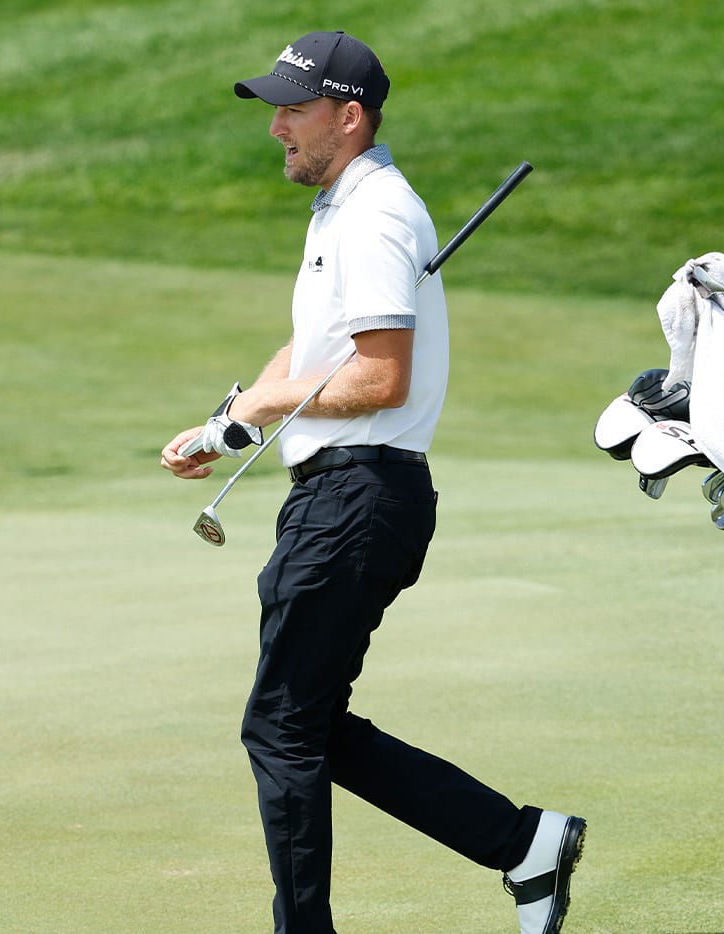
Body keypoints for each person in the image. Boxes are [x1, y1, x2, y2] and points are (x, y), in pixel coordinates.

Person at [158, 30, 584, 934]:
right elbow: (315, 356)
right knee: (301, 722)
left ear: (348, 118)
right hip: (340, 495)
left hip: (358, 496)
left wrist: (259, 413)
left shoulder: (380, 215)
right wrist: (228, 417)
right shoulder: (342, 213)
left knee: (280, 726)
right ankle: (522, 844)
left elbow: (380, 376)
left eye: (293, 110)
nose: (276, 127)